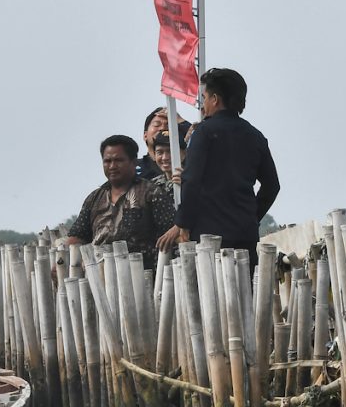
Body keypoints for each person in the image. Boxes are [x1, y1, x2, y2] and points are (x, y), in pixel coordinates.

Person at [158, 68, 280, 268]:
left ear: (215, 99)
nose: (203, 105)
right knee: (245, 295)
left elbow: (192, 180)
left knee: (211, 296)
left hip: (209, 239)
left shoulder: (204, 133)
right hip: (244, 237)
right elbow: (272, 186)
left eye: (204, 97)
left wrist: (183, 223)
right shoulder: (255, 136)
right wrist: (251, 217)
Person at [67, 135, 176, 267]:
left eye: (118, 160)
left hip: (144, 277)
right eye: (107, 161)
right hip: (102, 278)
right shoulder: (94, 199)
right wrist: (63, 260)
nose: (112, 166)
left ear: (133, 162)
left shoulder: (151, 193)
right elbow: (78, 235)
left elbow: (171, 233)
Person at [149, 129, 187, 196]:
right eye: (159, 152)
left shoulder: (197, 180)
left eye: (170, 151)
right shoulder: (151, 185)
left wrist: (187, 187)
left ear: (184, 154)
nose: (165, 158)